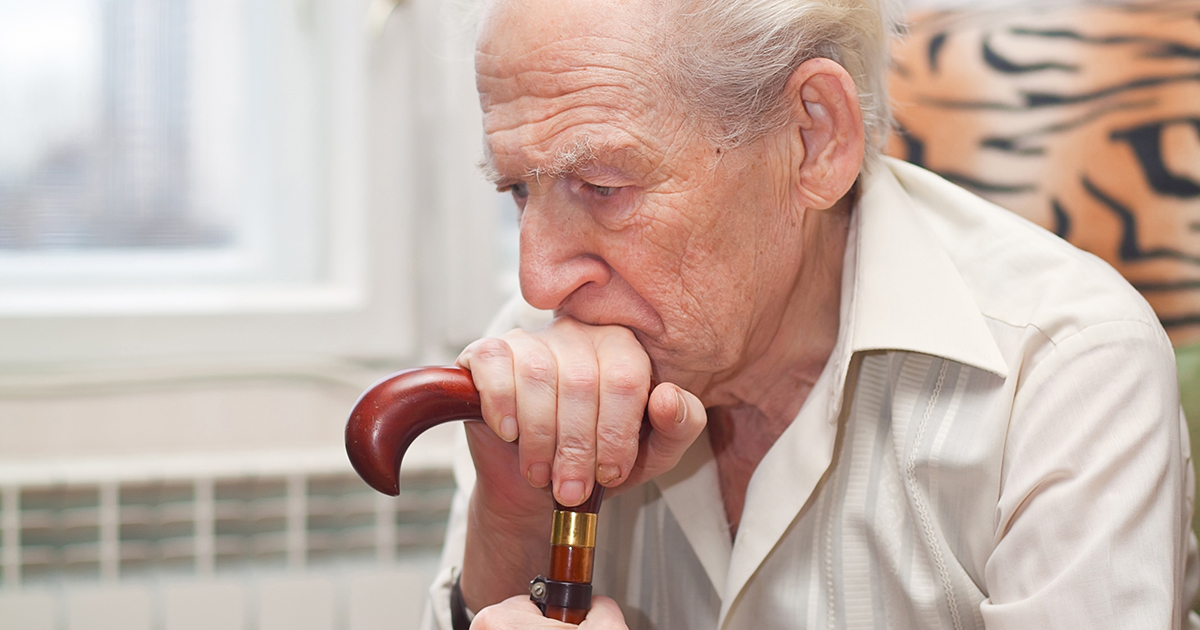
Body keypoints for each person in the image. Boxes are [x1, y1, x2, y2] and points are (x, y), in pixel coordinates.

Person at [423, 0, 1200, 627]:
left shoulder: (1065, 369)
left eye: (602, 187)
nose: (538, 280)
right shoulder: (534, 351)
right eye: (518, 189)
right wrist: (511, 519)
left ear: (813, 138)